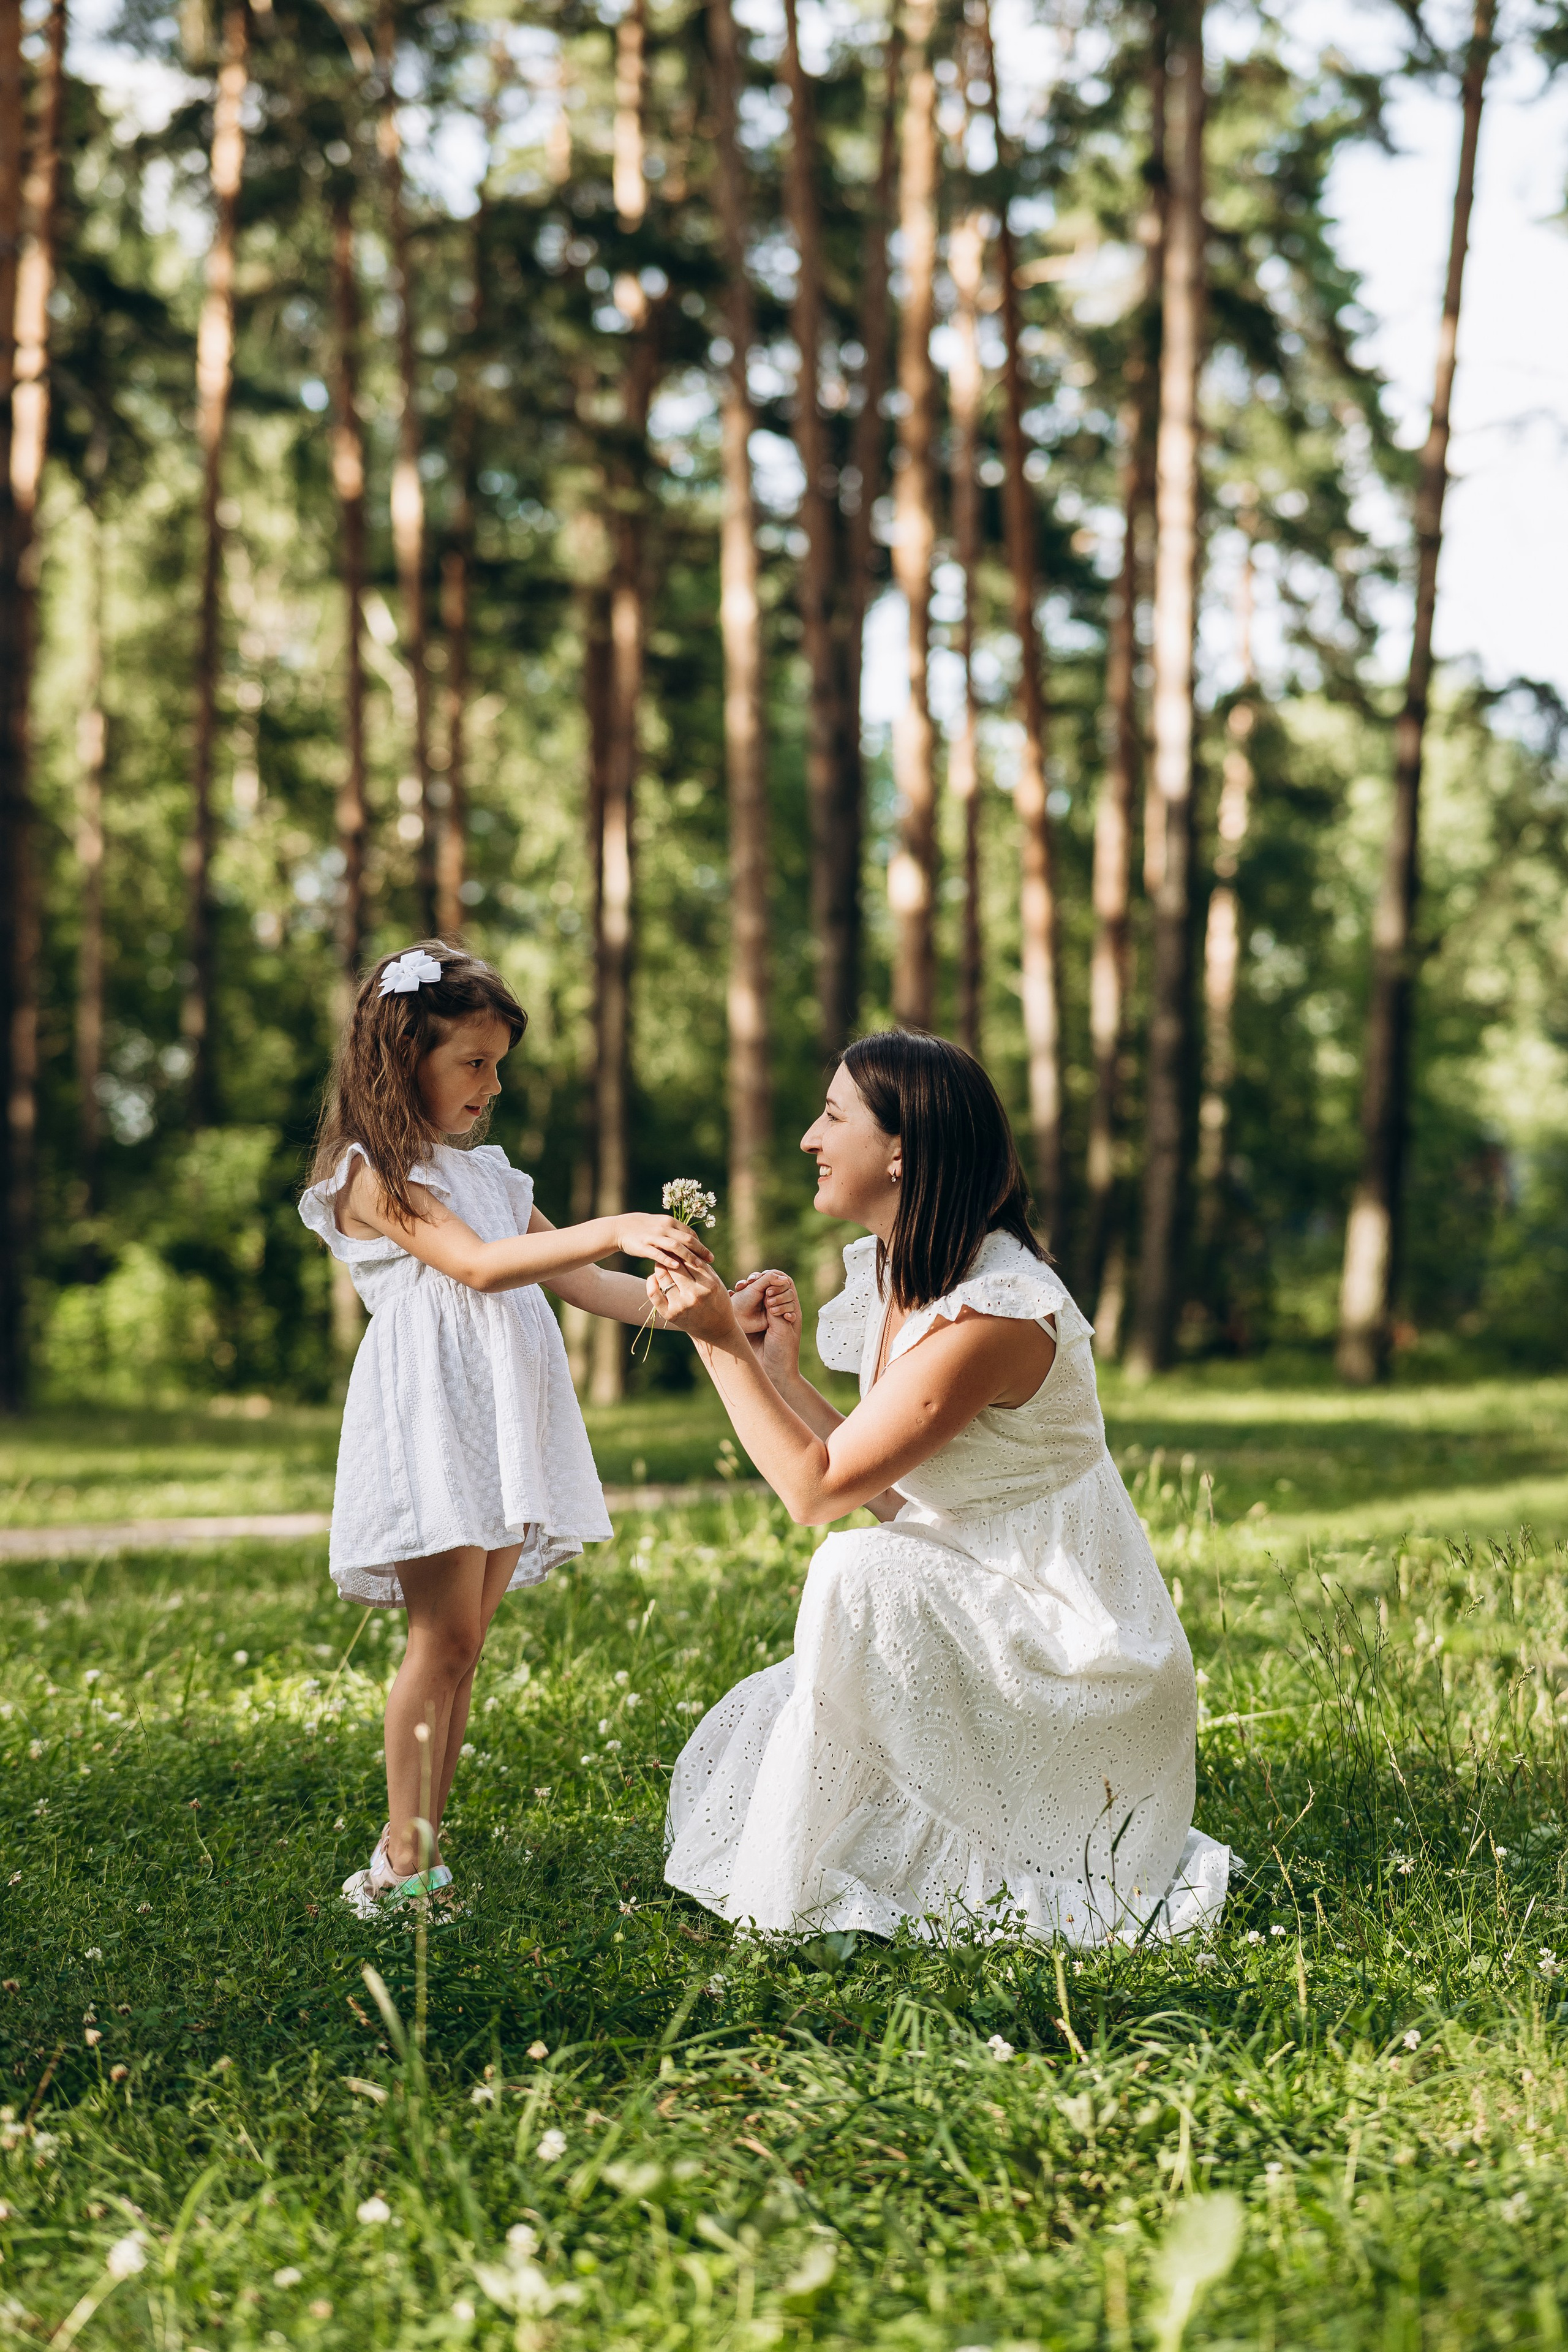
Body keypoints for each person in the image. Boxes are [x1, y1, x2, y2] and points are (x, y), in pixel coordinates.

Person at [650, 1030, 1228, 1945]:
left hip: (1081, 1652)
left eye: (833, 1116)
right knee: (810, 1671)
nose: (809, 1137)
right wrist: (779, 1374)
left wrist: (719, 1342)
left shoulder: (995, 1311)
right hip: (998, 1602)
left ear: (901, 1153)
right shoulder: (911, 1275)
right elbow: (900, 1491)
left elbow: (818, 1496)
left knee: (859, 1575)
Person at [300, 941, 712, 1916]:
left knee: (468, 1641)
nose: (491, 1086)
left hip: (497, 1422)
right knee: (437, 1638)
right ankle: (400, 1864)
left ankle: (422, 1855)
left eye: (498, 1067)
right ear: (405, 1059)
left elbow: (581, 1282)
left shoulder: (494, 1175)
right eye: (472, 1064)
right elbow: (481, 1268)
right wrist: (616, 1221)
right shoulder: (371, 1174)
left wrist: (700, 1307)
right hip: (431, 1420)